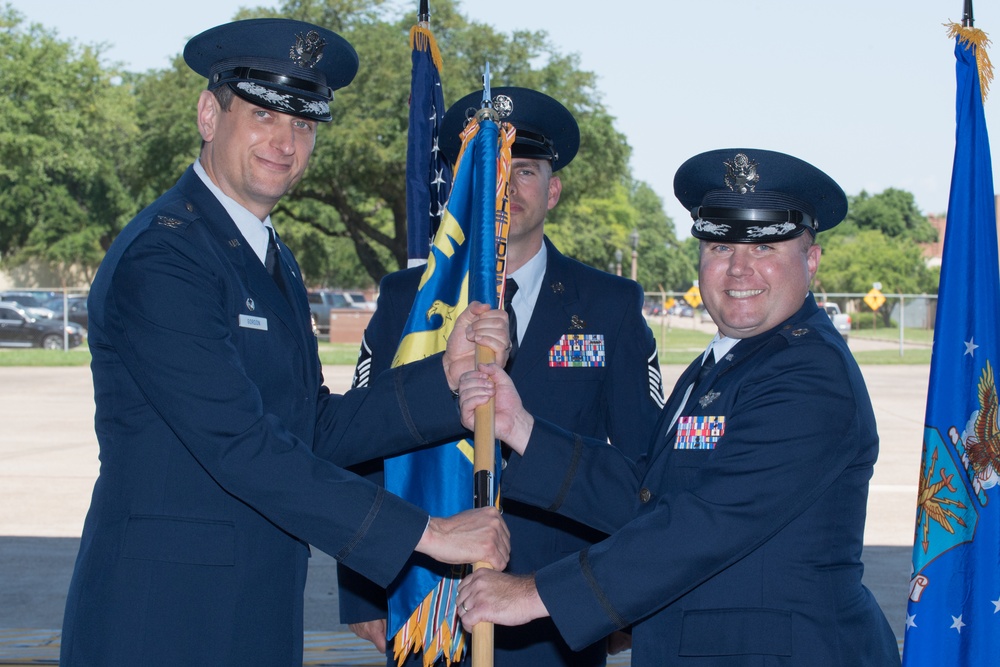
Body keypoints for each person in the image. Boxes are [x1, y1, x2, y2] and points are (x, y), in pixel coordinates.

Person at [59, 19, 512, 667]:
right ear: (209, 115)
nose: (285, 140)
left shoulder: (271, 258)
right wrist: (429, 533)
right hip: (164, 620)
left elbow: (310, 425)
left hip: (251, 613)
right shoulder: (165, 256)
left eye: (303, 123)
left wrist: (444, 373)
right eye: (263, 115)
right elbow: (241, 444)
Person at [455, 148, 902, 666]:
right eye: (718, 246)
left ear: (812, 260)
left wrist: (537, 594)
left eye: (764, 249)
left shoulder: (809, 374)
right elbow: (652, 494)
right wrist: (522, 427)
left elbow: (706, 522)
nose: (738, 269)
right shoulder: (729, 360)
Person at [338, 87, 664, 666]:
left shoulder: (610, 305)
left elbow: (641, 465)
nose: (506, 186)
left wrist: (622, 599)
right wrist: (362, 589)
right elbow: (362, 442)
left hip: (555, 605)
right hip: (424, 599)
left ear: (554, 190)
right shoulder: (406, 301)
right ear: (464, 187)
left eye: (527, 170)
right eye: (488, 170)